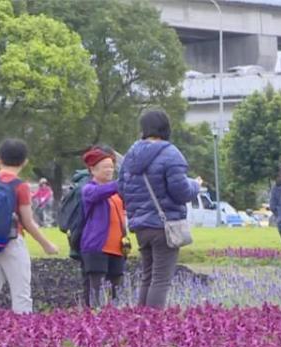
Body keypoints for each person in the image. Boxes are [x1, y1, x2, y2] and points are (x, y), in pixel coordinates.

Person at [119, 110, 201, 308]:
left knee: (147, 277)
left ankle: (141, 324)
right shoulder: (170, 154)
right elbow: (181, 192)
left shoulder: (130, 157)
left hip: (140, 225)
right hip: (165, 225)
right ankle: (154, 329)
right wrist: (195, 185)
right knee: (161, 280)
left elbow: (121, 190)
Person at [0, 139, 60, 315]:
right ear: (25, 161)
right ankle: (24, 335)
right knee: (21, 293)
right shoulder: (20, 186)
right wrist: (46, 244)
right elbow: (27, 221)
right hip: (11, 241)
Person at [80, 146, 127, 308]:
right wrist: (123, 181)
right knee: (96, 291)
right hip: (97, 247)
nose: (110, 170)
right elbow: (100, 193)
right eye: (105, 167)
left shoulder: (116, 193)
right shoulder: (89, 189)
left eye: (112, 167)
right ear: (93, 170)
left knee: (117, 289)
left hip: (117, 248)